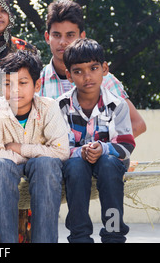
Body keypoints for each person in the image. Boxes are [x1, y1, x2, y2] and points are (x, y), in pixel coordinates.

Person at [0, 50, 69, 243]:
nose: (15, 90)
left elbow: (62, 151)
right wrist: (34, 153)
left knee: (46, 164)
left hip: (40, 169)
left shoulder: (49, 107)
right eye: (7, 84)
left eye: (22, 83)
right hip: (6, 170)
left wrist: (20, 149)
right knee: (1, 165)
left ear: (37, 85)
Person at [57, 38, 135, 243]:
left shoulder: (117, 105)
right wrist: (81, 152)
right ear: (69, 75)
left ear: (105, 68)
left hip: (109, 164)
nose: (87, 76)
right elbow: (59, 147)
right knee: (75, 167)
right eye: (78, 71)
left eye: (93, 68)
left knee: (109, 165)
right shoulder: (60, 106)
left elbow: (126, 146)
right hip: (75, 165)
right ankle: (79, 235)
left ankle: (113, 234)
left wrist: (102, 148)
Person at [39, 0, 146, 137]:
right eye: (56, 35)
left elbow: (137, 124)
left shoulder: (104, 79)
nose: (63, 42)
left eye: (70, 35)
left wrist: (100, 149)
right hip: (54, 157)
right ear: (47, 37)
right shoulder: (37, 82)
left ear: (82, 36)